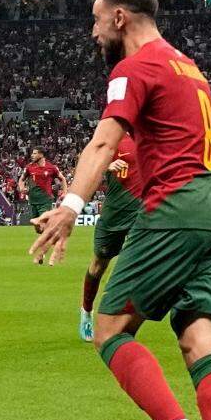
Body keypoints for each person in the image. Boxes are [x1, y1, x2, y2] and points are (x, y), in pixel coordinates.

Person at [29, 0, 211, 420]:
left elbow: (104, 140)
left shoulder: (134, 68)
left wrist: (70, 206)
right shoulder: (189, 68)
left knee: (109, 329)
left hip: (172, 213)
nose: (93, 30)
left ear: (121, 18)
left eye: (97, 19)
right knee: (201, 342)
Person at [79, 133, 142, 342]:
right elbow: (86, 166)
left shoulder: (153, 137)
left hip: (142, 214)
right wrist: (106, 166)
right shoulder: (115, 139)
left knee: (134, 265)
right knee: (98, 264)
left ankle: (121, 322)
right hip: (114, 215)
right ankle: (86, 312)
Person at [19, 147, 67, 223]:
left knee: (43, 223)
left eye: (35, 153)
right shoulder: (29, 167)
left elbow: (63, 179)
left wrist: (64, 193)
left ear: (41, 155)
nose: (32, 155)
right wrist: (22, 187)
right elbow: (21, 179)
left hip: (45, 201)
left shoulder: (51, 167)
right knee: (37, 226)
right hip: (32, 202)